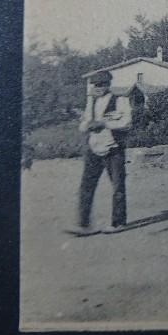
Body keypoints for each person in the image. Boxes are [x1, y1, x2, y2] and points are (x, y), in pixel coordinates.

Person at [70, 71, 133, 236]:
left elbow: (126, 122)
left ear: (108, 85)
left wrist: (104, 123)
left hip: (114, 148)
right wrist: (87, 125)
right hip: (94, 147)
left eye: (101, 85)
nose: (98, 88)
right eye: (95, 85)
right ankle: (84, 224)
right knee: (86, 185)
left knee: (117, 185)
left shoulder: (121, 100)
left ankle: (118, 223)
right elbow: (83, 124)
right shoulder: (91, 102)